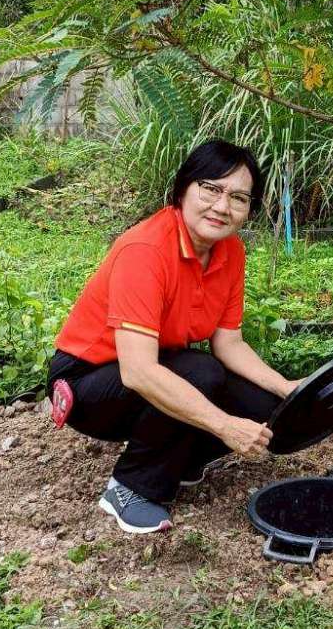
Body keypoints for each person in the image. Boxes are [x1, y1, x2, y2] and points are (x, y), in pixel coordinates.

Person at [47, 139, 303, 534]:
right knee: (200, 374)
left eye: (238, 198)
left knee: (261, 402)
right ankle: (130, 488)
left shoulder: (229, 252)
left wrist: (287, 388)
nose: (222, 206)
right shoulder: (146, 250)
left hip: (159, 364)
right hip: (85, 382)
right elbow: (137, 372)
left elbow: (229, 343)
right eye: (211, 189)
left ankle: (179, 461)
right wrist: (225, 426)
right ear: (183, 189)